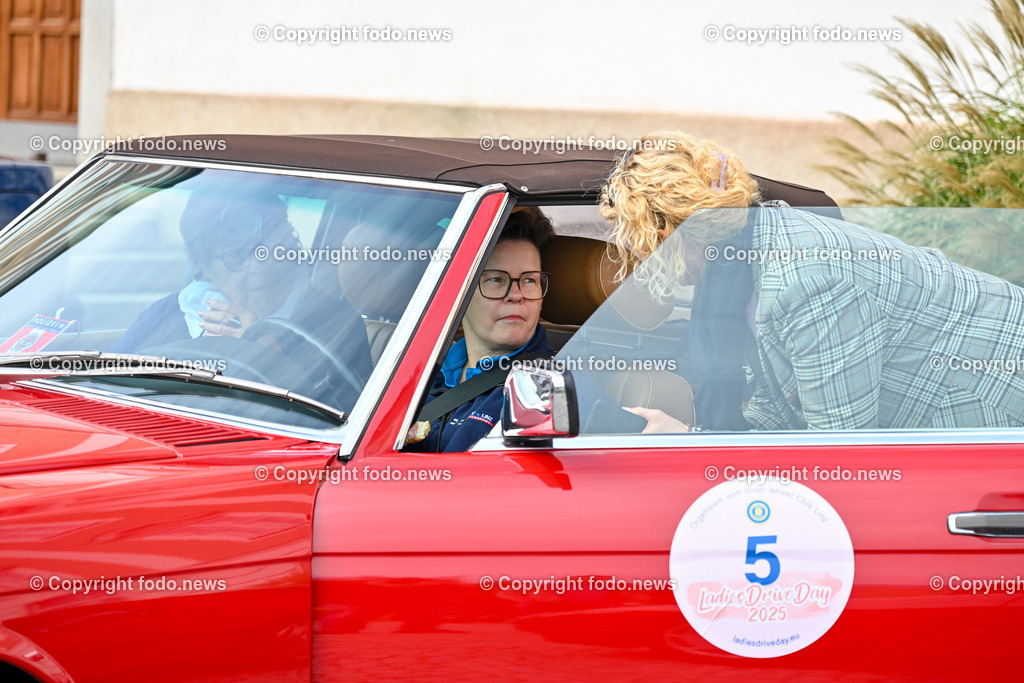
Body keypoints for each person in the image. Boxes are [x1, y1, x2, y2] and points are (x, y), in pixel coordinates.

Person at [600, 131, 1024, 431]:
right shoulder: (745, 258)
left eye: (639, 241)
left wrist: (688, 443)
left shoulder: (804, 280)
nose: (641, 256)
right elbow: (782, 402)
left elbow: (836, 451)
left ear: (667, 235)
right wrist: (695, 445)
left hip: (995, 411)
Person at [113, 190, 373, 409]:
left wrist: (273, 356)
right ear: (204, 267)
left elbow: (352, 425)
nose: (261, 267)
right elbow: (110, 387)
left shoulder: (336, 322)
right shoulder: (164, 317)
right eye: (237, 257)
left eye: (270, 249)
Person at [407, 207, 555, 452]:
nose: (516, 295)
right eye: (496, 279)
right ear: (458, 294)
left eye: (529, 280)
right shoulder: (417, 372)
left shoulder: (546, 388)